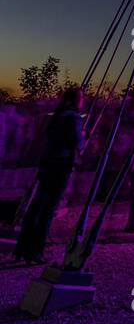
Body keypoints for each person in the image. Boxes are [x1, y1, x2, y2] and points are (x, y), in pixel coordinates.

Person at [14, 86, 84, 264]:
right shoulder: (74, 118)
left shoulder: (56, 117)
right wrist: (83, 136)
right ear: (75, 100)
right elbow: (77, 141)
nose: (83, 102)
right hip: (62, 165)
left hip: (48, 162)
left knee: (38, 204)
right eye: (81, 98)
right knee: (49, 208)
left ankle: (23, 248)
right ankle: (36, 250)